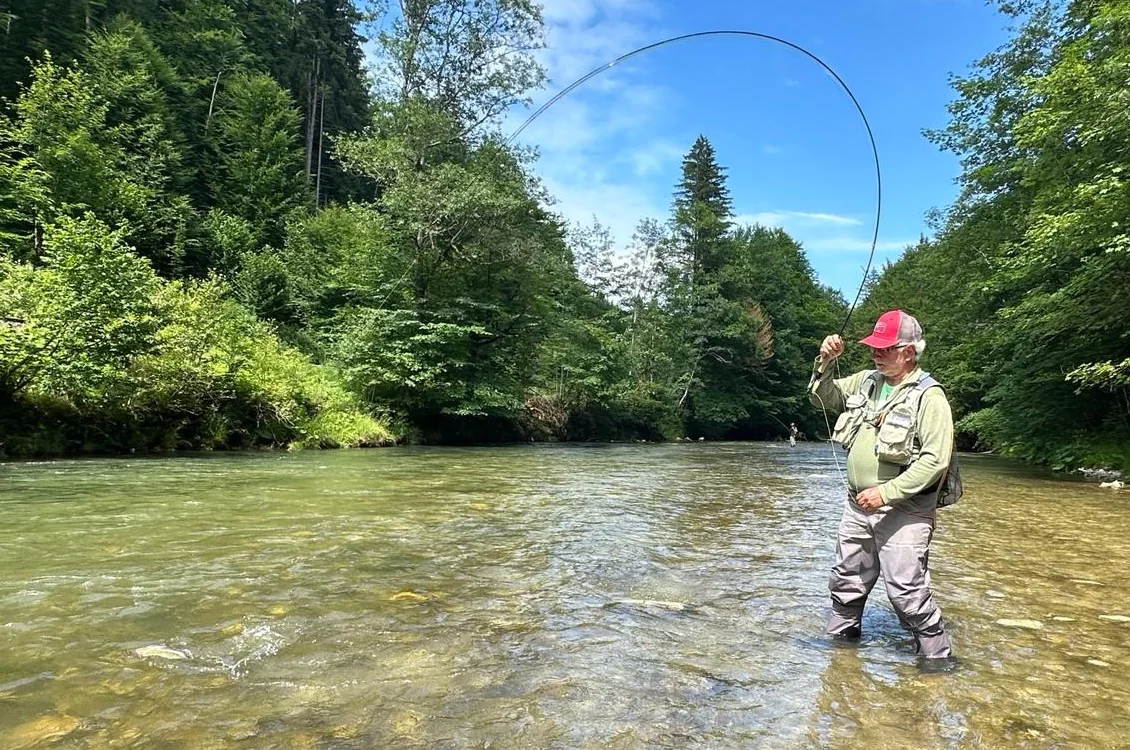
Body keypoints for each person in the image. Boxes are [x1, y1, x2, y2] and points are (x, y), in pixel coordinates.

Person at [808, 309, 954, 662]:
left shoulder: (930, 397)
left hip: (904, 508)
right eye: (874, 347)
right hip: (857, 504)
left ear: (909, 351)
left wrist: (885, 493)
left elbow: (936, 461)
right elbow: (821, 399)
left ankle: (937, 658)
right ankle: (841, 654)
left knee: (905, 590)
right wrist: (825, 362)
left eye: (885, 349)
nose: (876, 353)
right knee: (847, 579)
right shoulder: (865, 381)